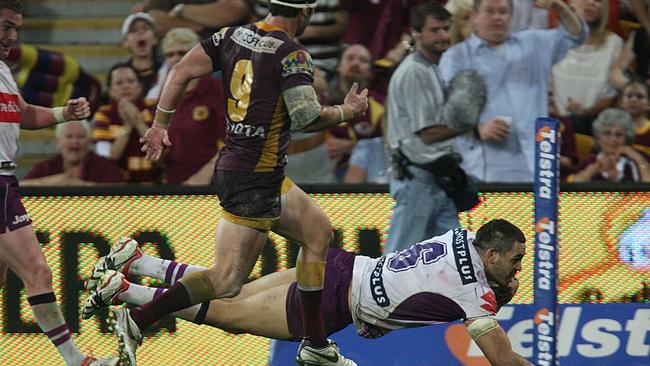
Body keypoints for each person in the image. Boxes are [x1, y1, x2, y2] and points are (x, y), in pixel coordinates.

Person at [108, 0, 368, 365]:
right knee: (227, 281)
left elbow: (181, 70)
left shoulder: (230, 35)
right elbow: (307, 115)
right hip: (256, 178)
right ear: (305, 12)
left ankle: (315, 343)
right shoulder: (293, 54)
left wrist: (160, 124)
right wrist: (347, 111)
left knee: (317, 232)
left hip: (248, 168)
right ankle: (138, 318)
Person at [84, 219, 531, 366]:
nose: (517, 270)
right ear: (490, 255)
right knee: (228, 316)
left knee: (230, 289)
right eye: (513, 261)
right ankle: (128, 294)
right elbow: (502, 360)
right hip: (338, 300)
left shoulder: (463, 233)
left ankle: (138, 264)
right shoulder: (477, 293)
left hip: (343, 264)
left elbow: (422, 286)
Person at [0, 1, 118, 365]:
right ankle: (76, 360)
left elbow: (21, 112)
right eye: (5, 26)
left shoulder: (2, 69)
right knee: (38, 272)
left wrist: (63, 113)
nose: (13, 36)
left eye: (16, 28)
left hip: (6, 178)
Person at [439, 0, 586, 182]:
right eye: (489, 11)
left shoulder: (534, 44)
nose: (497, 17)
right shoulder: (456, 57)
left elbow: (576, 35)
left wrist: (559, 6)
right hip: (483, 171)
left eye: (503, 12)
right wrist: (478, 128)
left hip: (536, 169)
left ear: (511, 17)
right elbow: (444, 110)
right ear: (474, 17)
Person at [385, 1, 487, 252]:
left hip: (436, 180)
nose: (442, 36)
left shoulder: (431, 67)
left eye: (445, 28)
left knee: (453, 258)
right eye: (434, 30)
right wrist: (469, 124)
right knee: (398, 260)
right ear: (416, 33)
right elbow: (429, 134)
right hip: (417, 179)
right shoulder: (415, 72)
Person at [155, 28, 226, 185]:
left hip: (209, 184)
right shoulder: (164, 93)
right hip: (172, 183)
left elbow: (231, 141)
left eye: (182, 53)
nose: (176, 59)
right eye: (169, 54)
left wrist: (203, 176)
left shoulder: (216, 90)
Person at [551, 0, 623, 135]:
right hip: (556, 123)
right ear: (571, 3)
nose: (591, 2)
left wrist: (584, 113)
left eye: (598, 0)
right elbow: (546, 87)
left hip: (595, 126)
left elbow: (612, 95)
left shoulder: (614, 44)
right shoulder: (555, 40)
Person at [92, 63, 162, 184]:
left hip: (155, 187)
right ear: (110, 91)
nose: (125, 86)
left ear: (140, 87)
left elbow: (162, 153)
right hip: (119, 189)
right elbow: (107, 160)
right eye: (119, 83)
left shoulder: (155, 107)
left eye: (130, 81)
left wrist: (138, 122)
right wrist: (127, 127)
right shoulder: (103, 114)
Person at [21, 120, 126, 186]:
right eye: (69, 137)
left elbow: (121, 190)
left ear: (89, 142)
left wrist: (78, 185)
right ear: (58, 142)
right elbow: (19, 187)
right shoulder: (47, 167)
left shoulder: (104, 166)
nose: (75, 141)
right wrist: (51, 182)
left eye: (81, 137)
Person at [567, 108, 650, 182]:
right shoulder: (591, 160)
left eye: (619, 134)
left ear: (627, 139)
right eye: (607, 133)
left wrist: (638, 158)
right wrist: (596, 168)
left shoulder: (635, 161)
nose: (613, 139)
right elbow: (570, 190)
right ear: (598, 138)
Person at [146, 0, 251, 39]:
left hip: (221, 56)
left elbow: (231, 12)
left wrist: (181, 10)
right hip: (176, 56)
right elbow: (155, 23)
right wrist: (207, 19)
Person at [120, 12, 163, 96]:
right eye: (133, 30)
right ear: (125, 42)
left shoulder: (166, 69)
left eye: (145, 28)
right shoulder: (120, 73)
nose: (140, 32)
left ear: (155, 38)